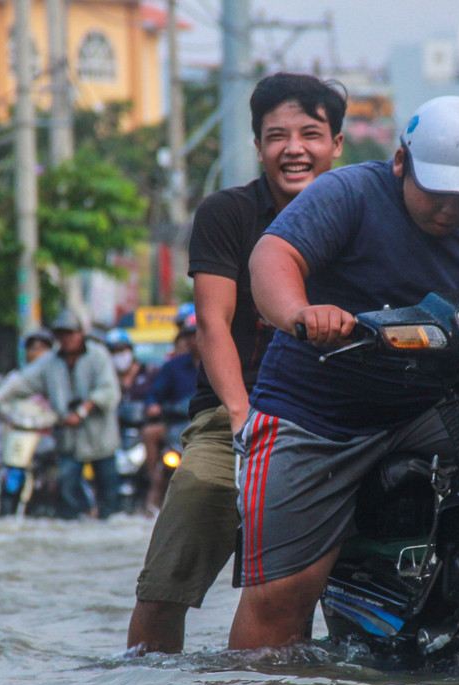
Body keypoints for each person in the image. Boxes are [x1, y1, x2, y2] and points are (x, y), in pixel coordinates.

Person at [230, 95, 459, 650]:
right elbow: (273, 258)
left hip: (442, 407)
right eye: (438, 192)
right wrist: (301, 313)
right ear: (401, 163)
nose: (451, 209)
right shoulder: (348, 194)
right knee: (282, 599)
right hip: (320, 416)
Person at [127, 73, 347, 653]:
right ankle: (146, 684)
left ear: (337, 143)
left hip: (340, 421)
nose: (294, 149)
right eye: (277, 136)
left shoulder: (367, 214)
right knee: (173, 564)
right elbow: (212, 323)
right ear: (257, 146)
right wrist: (241, 416)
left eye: (310, 134)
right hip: (238, 419)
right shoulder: (227, 213)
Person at [0, 310, 120, 519]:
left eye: (70, 333)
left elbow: (109, 391)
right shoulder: (50, 363)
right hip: (68, 440)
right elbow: (21, 382)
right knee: (67, 493)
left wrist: (82, 411)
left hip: (100, 438)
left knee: (109, 499)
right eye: (61, 334)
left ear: (81, 334)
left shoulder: (98, 356)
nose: (66, 339)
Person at [139, 314, 202, 511]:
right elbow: (154, 394)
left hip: (209, 423)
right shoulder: (173, 366)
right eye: (190, 335)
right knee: (150, 433)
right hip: (177, 424)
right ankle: (154, 484)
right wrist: (153, 405)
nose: (194, 339)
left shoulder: (222, 361)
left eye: (197, 333)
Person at [105, 328, 156, 403]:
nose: (118, 356)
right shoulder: (107, 378)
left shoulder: (150, 373)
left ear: (131, 350)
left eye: (121, 350)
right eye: (113, 352)